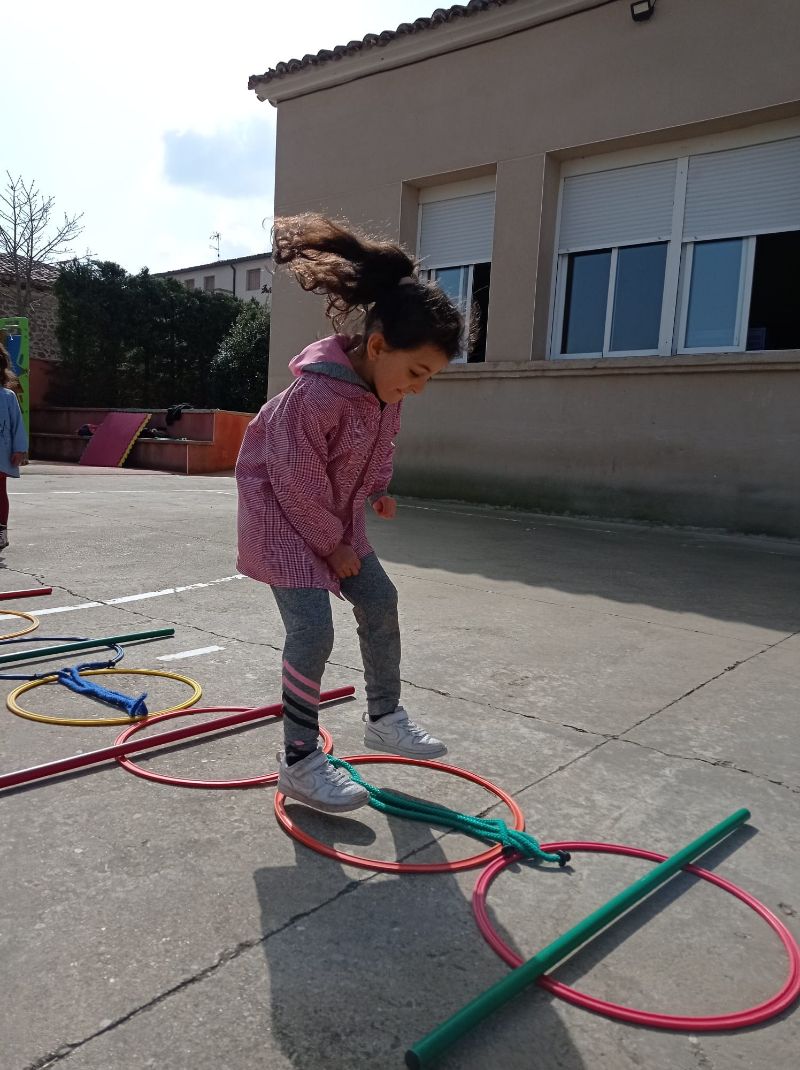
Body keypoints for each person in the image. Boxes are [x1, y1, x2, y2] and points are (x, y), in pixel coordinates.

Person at [236, 214, 466, 813]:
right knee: (313, 630)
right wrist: (332, 544)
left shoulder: (383, 393)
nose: (417, 388)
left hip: (334, 517)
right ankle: (299, 760)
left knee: (381, 598)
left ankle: (384, 717)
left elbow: (379, 446)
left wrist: (378, 488)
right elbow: (293, 481)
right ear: (379, 346)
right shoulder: (314, 397)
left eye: (429, 379)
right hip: (282, 519)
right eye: (415, 373)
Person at [0, 337, 28, 551]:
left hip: (1, 453)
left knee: (0, 492)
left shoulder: (8, 396)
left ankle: (1, 531)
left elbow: (17, 424)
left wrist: (19, 449)